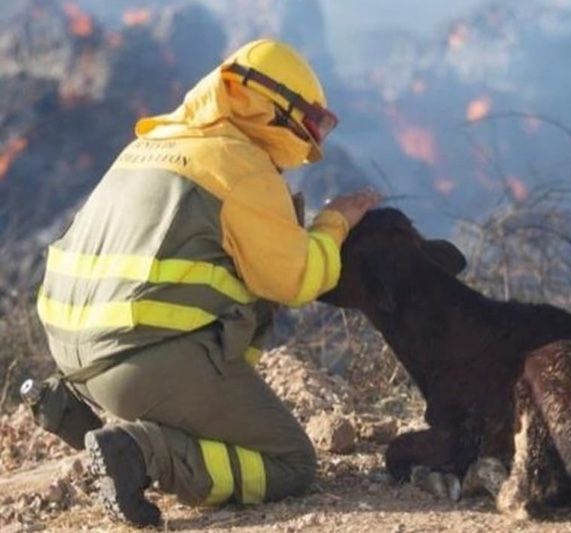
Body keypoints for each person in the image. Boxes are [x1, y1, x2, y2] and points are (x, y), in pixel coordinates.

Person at [33, 39, 382, 527]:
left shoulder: (151, 145)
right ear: (273, 111)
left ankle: (77, 410)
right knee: (292, 463)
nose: (310, 142)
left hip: (70, 355)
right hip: (140, 363)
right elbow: (297, 279)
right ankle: (141, 451)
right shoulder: (239, 165)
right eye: (309, 125)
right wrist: (334, 224)